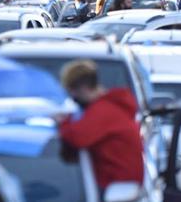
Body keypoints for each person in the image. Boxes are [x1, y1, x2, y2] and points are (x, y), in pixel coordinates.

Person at [57, 60, 144, 192]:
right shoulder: (109, 107)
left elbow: (78, 137)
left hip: (119, 189)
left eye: (72, 92)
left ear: (83, 88)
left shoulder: (103, 111)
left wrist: (63, 122)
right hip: (119, 186)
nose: (72, 98)